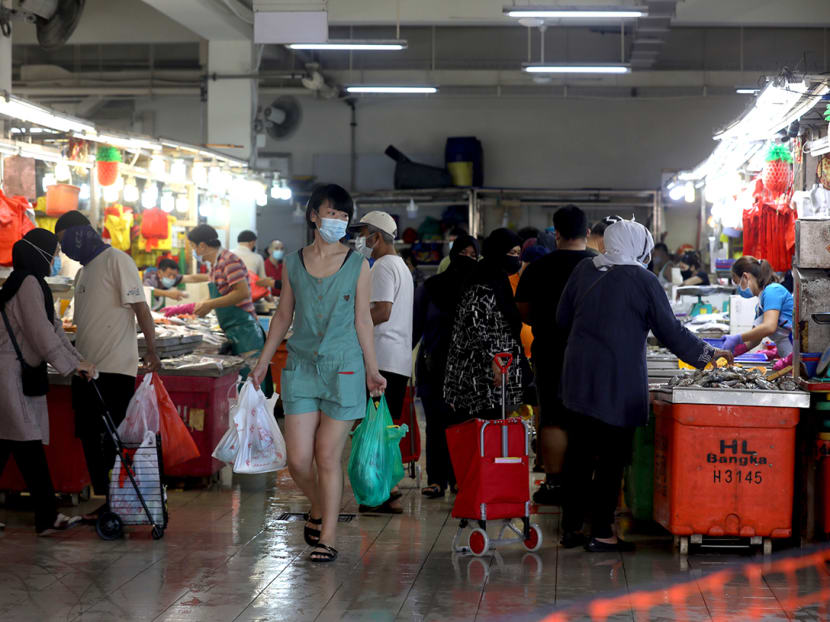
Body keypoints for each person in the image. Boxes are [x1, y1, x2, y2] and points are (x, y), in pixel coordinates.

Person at [557, 220, 733, 552]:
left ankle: (570, 529)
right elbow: (671, 332)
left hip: (578, 378)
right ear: (640, 246)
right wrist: (709, 355)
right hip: (616, 382)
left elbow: (561, 319)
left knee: (578, 454)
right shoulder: (643, 279)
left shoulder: (585, 270)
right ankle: (602, 533)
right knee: (610, 458)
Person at [248, 184, 386, 563]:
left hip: (345, 368)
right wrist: (262, 360)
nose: (337, 221)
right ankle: (321, 506)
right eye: (332, 213)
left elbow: (363, 320)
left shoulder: (359, 265)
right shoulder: (293, 263)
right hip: (302, 367)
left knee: (327, 455)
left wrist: (372, 370)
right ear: (313, 215)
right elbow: (283, 314)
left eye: (344, 216)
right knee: (296, 459)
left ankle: (327, 536)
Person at [54, 211, 160, 522]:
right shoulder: (83, 272)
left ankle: (120, 500)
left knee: (112, 440)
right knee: (90, 437)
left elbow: (141, 309)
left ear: (79, 234)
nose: (65, 250)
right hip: (86, 370)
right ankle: (110, 499)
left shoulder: (117, 260)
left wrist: (152, 349)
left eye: (64, 242)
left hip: (115, 370)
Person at [0, 229, 95, 535]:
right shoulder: (27, 283)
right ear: (39, 254)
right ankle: (47, 517)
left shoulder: (34, 283)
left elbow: (54, 329)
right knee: (27, 442)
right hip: (10, 373)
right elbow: (41, 334)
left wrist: (77, 359)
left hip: (17, 373)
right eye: (54, 253)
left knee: (10, 441)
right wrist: (71, 366)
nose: (57, 259)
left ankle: (47, 517)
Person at [515, 205, 594, 507]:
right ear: (587, 232)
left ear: (556, 232)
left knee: (553, 417)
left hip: (549, 350)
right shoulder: (599, 266)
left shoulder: (538, 267)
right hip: (591, 354)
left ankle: (555, 483)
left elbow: (522, 310)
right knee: (587, 416)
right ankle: (585, 482)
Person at [350, 211, 414, 514]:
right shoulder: (400, 266)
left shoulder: (384, 267)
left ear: (376, 236)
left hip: (383, 360)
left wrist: (352, 326)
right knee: (383, 428)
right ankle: (389, 490)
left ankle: (382, 492)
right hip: (396, 360)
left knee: (374, 427)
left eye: (363, 233)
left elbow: (383, 311)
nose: (360, 240)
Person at [413, 234, 479, 499]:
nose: (468, 260)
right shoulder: (430, 288)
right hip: (433, 365)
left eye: (473, 255)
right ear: (453, 255)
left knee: (462, 424)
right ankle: (437, 479)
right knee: (436, 423)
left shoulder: (479, 288)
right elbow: (415, 327)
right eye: (463, 253)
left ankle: (459, 478)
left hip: (468, 369)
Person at [444, 228, 525, 420]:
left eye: (518, 254)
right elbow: (474, 325)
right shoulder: (483, 280)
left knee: (494, 432)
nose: (516, 259)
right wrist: (494, 360)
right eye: (511, 253)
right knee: (484, 433)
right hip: (481, 375)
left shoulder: (498, 278)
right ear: (497, 252)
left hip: (496, 371)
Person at [187, 224, 272, 393]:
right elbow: (222, 294)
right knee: (240, 389)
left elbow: (241, 293)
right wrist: (203, 304)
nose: (193, 251)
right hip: (234, 331)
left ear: (202, 246)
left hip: (246, 332)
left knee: (252, 389)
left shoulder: (229, 261)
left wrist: (209, 304)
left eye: (193, 247)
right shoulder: (216, 264)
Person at [722, 256, 794, 358]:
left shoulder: (773, 291)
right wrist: (732, 353)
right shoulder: (760, 304)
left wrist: (738, 338)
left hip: (795, 354)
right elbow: (754, 339)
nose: (738, 288)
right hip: (787, 354)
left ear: (745, 277)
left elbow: (769, 327)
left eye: (737, 282)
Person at [142, 257, 208, 311]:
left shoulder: (174, 278)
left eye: (174, 275)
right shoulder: (150, 278)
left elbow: (192, 278)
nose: (172, 278)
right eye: (169, 275)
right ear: (159, 273)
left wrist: (211, 276)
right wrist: (168, 294)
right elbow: (147, 290)